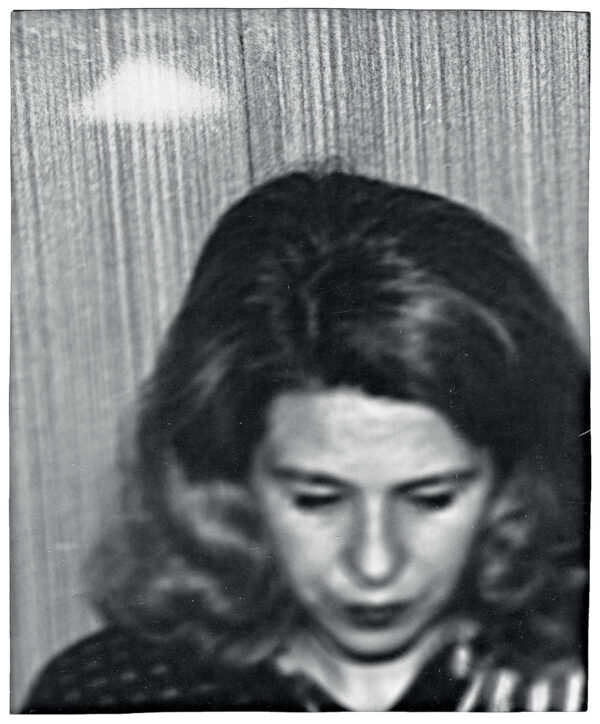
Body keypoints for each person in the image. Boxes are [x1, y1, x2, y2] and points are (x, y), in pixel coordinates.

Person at [23, 169, 589, 712]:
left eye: (432, 498)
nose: (374, 564)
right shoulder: (111, 695)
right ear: (228, 477)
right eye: (317, 500)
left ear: (515, 484)